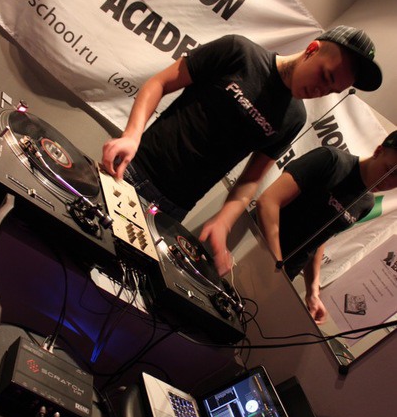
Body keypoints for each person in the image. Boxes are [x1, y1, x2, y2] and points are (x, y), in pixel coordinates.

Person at [101, 25, 382, 276]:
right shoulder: (238, 51)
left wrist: (224, 221)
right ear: (312, 50)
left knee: (118, 275)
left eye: (332, 89)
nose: (321, 90)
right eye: (325, 76)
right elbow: (159, 83)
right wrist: (131, 135)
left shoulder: (294, 118)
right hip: (132, 171)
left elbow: (250, 180)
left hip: (175, 208)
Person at [255, 131, 397, 324]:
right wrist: (275, 263)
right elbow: (268, 202)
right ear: (378, 151)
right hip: (252, 249)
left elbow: (320, 238)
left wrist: (313, 291)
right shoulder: (331, 160)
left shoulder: (367, 203)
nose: (388, 183)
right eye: (390, 171)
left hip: (282, 277)